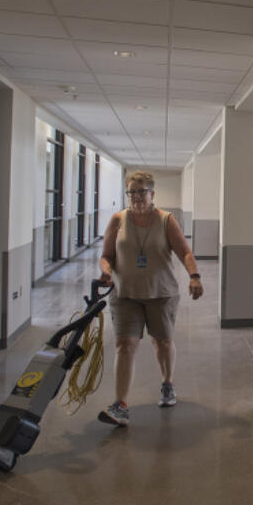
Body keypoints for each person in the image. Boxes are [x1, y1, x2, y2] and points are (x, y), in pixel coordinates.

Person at [96, 170, 203, 427]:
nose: (136, 197)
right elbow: (106, 255)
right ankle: (120, 404)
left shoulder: (166, 220)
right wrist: (106, 271)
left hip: (161, 294)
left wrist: (195, 276)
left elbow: (185, 252)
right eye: (131, 192)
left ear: (152, 194)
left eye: (141, 192)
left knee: (162, 342)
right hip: (125, 294)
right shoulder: (117, 220)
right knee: (124, 344)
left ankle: (167, 384)